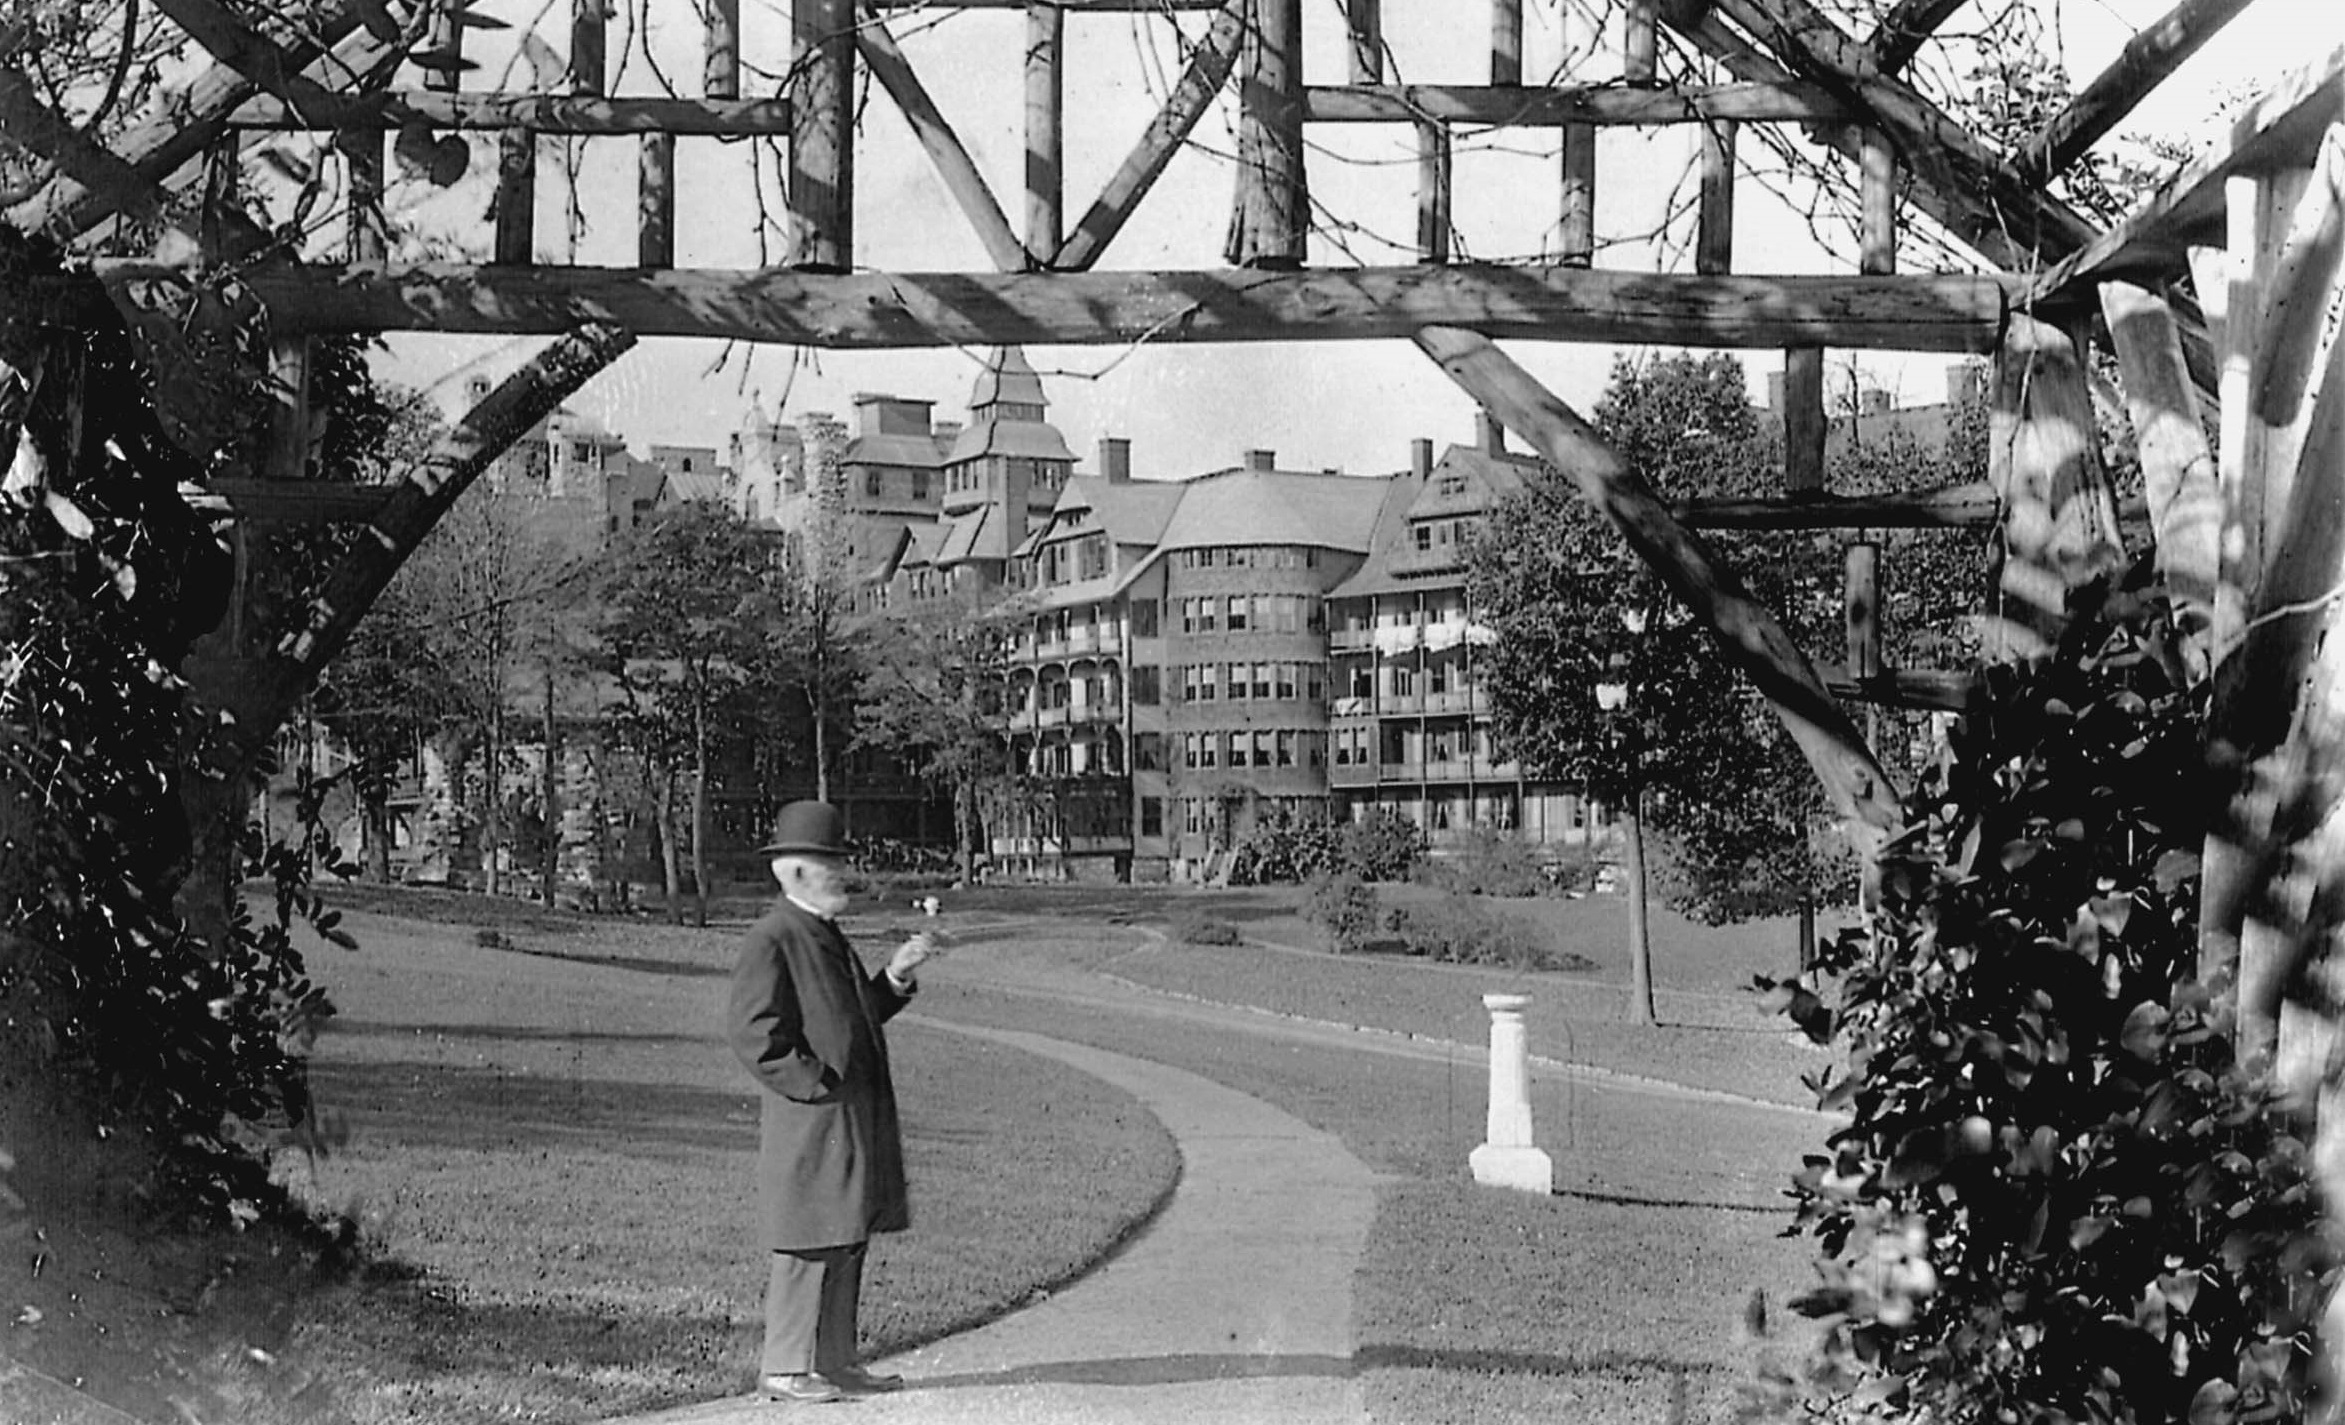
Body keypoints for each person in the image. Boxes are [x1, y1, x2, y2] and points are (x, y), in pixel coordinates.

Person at [726, 800, 946, 1404]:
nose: (842, 873)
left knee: (846, 1235)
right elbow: (753, 1033)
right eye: (831, 863)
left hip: (847, 1117)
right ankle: (784, 1366)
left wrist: (896, 974)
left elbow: (854, 1019)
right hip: (811, 1119)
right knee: (806, 1239)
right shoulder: (774, 937)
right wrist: (816, 1084)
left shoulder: (822, 931)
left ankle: (837, 1362)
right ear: (795, 873)